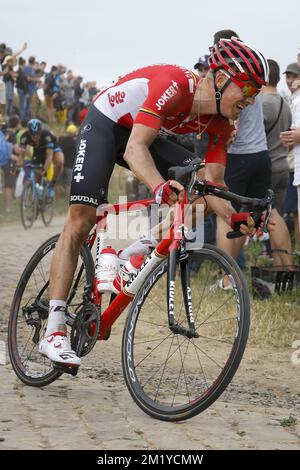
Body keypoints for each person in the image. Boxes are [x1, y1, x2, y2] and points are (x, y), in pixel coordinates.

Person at [39, 37, 269, 367]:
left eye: (256, 95)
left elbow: (214, 182)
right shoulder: (175, 85)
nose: (250, 101)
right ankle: (54, 330)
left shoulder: (223, 123)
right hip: (106, 123)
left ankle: (133, 253)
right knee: (80, 219)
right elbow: (134, 150)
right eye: (247, 91)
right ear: (220, 79)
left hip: (140, 133)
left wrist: (233, 218)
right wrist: (160, 187)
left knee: (198, 187)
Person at [262, 59, 294, 266]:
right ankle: (279, 269)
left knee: (272, 219)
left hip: (269, 167)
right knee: (275, 217)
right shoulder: (284, 103)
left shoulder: (264, 104)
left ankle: (288, 267)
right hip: (283, 165)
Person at [19, 118, 64, 196]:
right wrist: (18, 167)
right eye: (32, 134)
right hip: (39, 149)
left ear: (41, 131)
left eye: (37, 133)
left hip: (52, 147)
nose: (35, 136)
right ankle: (39, 193)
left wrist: (45, 168)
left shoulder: (46, 135)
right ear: (28, 132)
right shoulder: (24, 137)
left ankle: (52, 184)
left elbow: (49, 155)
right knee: (37, 174)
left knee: (59, 161)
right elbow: (21, 155)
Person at [280, 63, 300, 237]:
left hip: (294, 165)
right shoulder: (290, 101)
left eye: (294, 76)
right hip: (291, 165)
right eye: (288, 77)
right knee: (295, 213)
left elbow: (293, 137)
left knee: (296, 215)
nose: (290, 81)